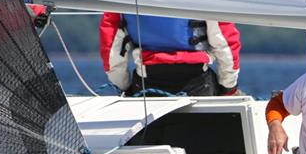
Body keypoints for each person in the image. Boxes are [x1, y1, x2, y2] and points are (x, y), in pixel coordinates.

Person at [99, 13, 240, 97]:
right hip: (198, 82)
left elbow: (111, 46)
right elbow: (225, 43)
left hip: (146, 82)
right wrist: (228, 87)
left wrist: (123, 86)